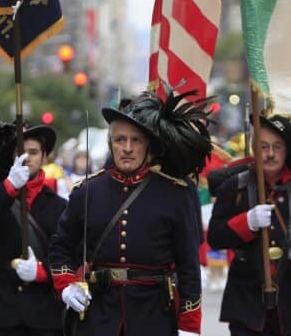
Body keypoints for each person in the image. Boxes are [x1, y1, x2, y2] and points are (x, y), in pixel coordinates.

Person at [48, 89, 210, 336]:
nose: (127, 148)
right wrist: (67, 285)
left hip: (153, 314)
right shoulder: (87, 191)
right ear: (110, 144)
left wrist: (189, 325)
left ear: (149, 148)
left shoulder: (173, 194)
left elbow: (188, 265)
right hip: (98, 315)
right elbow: (61, 246)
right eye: (120, 140)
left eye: (136, 140)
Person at [207, 115, 291, 335]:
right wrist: (247, 223)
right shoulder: (234, 186)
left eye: (277, 147)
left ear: (287, 149)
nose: (270, 154)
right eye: (263, 146)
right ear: (254, 148)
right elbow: (215, 237)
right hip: (248, 302)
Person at [0, 124, 67, 336]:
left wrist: (43, 271)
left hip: (45, 314)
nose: (27, 158)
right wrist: (9, 186)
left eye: (33, 152)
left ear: (44, 157)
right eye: (20, 152)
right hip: (4, 311)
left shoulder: (59, 205)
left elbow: (69, 256)